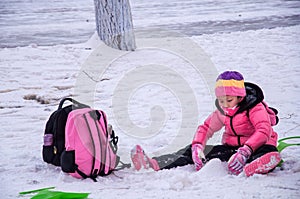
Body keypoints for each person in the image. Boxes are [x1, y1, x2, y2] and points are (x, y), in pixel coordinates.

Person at [130, 71, 281, 176]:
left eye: (229, 100)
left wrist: (246, 150)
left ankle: (262, 163)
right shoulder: (223, 110)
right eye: (221, 101)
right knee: (192, 150)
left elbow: (263, 130)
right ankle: (154, 163)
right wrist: (198, 146)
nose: (225, 104)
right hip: (233, 148)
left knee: (264, 151)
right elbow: (207, 128)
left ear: (240, 97)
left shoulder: (255, 108)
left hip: (258, 145)